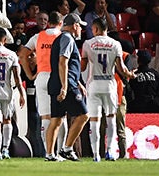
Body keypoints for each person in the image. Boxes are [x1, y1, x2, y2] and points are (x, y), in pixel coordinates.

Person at [80, 18, 134, 162]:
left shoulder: (88, 44)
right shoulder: (115, 44)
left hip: (94, 84)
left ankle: (96, 154)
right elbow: (121, 69)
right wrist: (130, 74)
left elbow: (83, 67)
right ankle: (110, 152)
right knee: (111, 120)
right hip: (110, 85)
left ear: (96, 29)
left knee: (95, 121)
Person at [18, 11, 66, 157]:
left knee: (45, 116)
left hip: (42, 76)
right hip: (57, 77)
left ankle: (48, 153)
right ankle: (61, 151)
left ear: (48, 22)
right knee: (60, 116)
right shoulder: (62, 37)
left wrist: (29, 75)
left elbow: (22, 54)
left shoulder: (38, 36)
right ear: (61, 23)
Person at [46, 13, 89, 161]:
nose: (80, 31)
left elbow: (68, 65)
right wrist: (65, 87)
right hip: (66, 84)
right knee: (84, 115)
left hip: (57, 82)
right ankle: (67, 148)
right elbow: (63, 62)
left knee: (56, 120)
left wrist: (79, 83)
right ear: (75, 26)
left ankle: (50, 154)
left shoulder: (59, 39)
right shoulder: (68, 39)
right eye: (79, 27)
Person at [0, 26, 25, 160]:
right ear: (5, 39)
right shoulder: (11, 54)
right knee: (7, 120)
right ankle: (5, 149)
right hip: (7, 92)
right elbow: (17, 76)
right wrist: (21, 92)